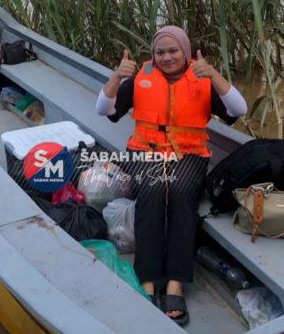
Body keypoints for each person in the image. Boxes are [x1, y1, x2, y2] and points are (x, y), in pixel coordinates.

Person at [95, 26, 247, 325]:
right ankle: (148, 278)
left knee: (179, 191)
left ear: (186, 52)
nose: (167, 57)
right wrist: (116, 77)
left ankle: (176, 282)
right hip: (145, 150)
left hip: (189, 153)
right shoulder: (140, 77)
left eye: (173, 51)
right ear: (153, 55)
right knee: (152, 191)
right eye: (160, 52)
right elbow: (104, 109)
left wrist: (214, 75)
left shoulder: (202, 78)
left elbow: (238, 109)